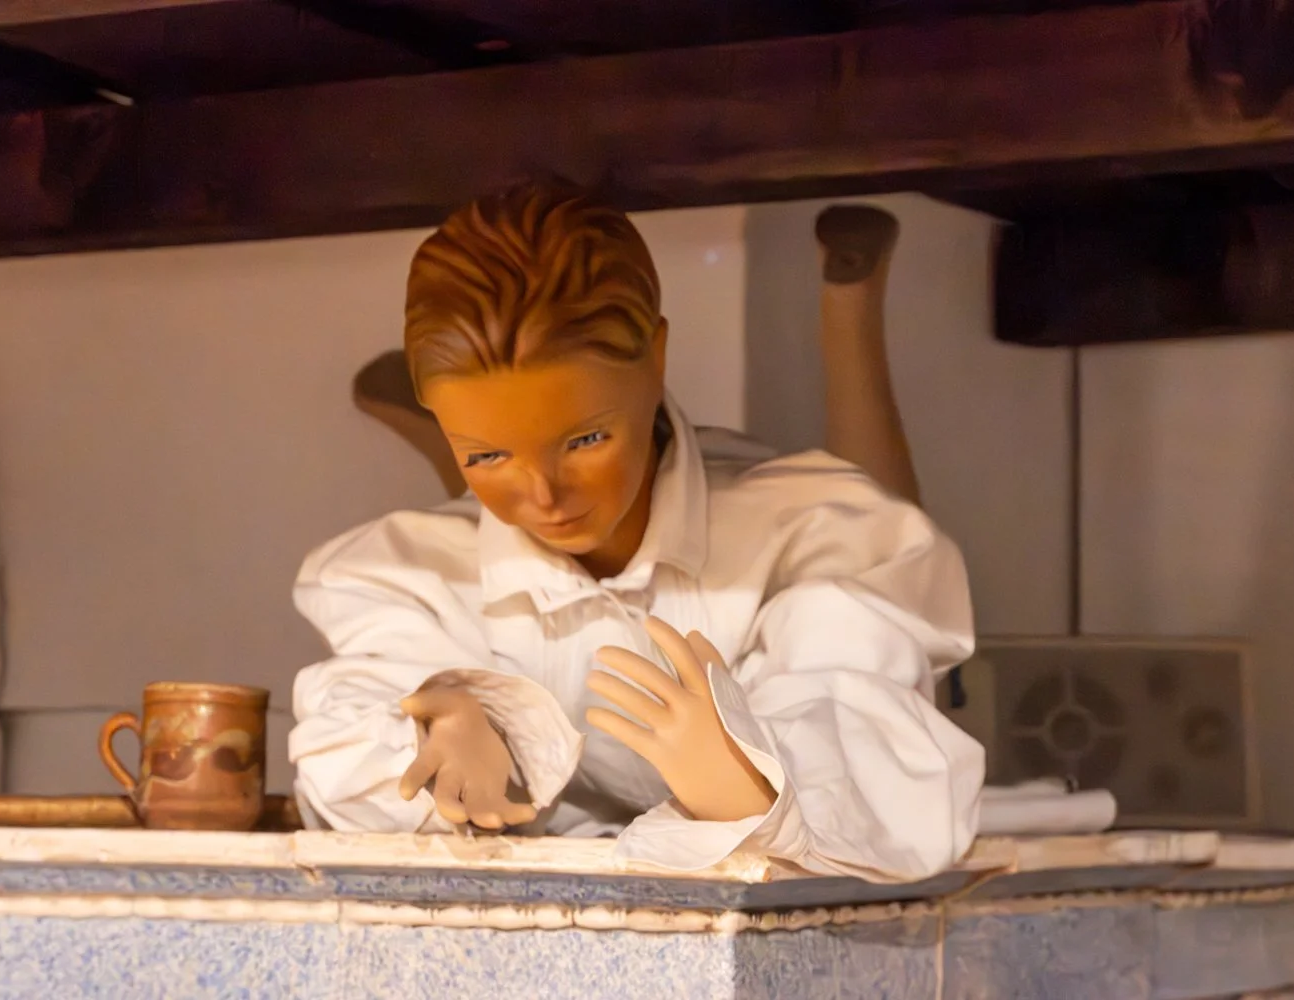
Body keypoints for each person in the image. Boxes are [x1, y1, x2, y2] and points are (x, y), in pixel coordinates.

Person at [291, 183, 982, 881]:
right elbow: (352, 752)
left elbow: (870, 740)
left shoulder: (815, 538)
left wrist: (757, 785)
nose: (545, 496)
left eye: (586, 439)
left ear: (657, 357)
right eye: (487, 455)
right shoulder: (398, 576)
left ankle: (850, 313)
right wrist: (437, 738)